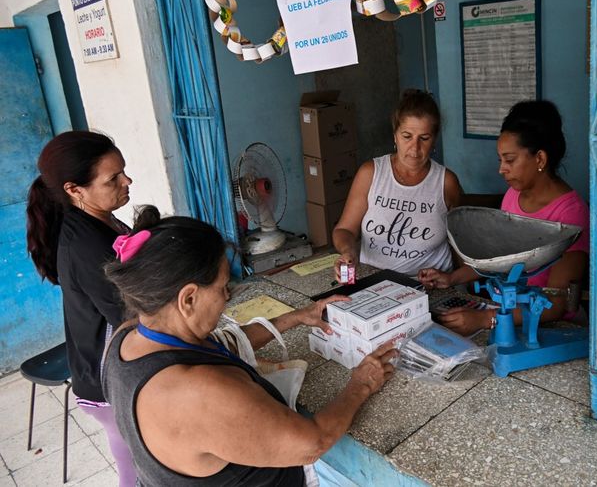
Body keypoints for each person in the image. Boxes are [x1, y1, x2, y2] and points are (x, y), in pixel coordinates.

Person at [101, 206, 397, 486]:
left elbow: (222, 343)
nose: (227, 297)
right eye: (222, 287)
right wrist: (361, 384)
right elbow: (312, 444)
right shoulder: (199, 393)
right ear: (188, 299)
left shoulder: (128, 337)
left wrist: (297, 317)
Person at [419, 100, 590, 335]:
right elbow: (498, 260)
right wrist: (451, 278)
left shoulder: (571, 213)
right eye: (500, 160)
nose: (502, 169)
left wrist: (485, 319)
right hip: (506, 313)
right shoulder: (513, 195)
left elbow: (557, 304)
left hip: (553, 328)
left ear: (540, 159)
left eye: (510, 160)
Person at [25, 130, 137, 485]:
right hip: (107, 385)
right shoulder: (87, 247)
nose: (127, 181)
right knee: (137, 473)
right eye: (113, 178)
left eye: (123, 171)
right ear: (75, 190)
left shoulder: (98, 219)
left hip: (107, 369)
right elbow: (133, 319)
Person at [332, 89, 463, 279]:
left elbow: (461, 243)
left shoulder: (446, 183)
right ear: (395, 135)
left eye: (424, 138)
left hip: (428, 286)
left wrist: (454, 281)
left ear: (434, 139)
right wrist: (348, 251)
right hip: (374, 282)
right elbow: (344, 229)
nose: (414, 148)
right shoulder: (371, 173)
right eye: (407, 136)